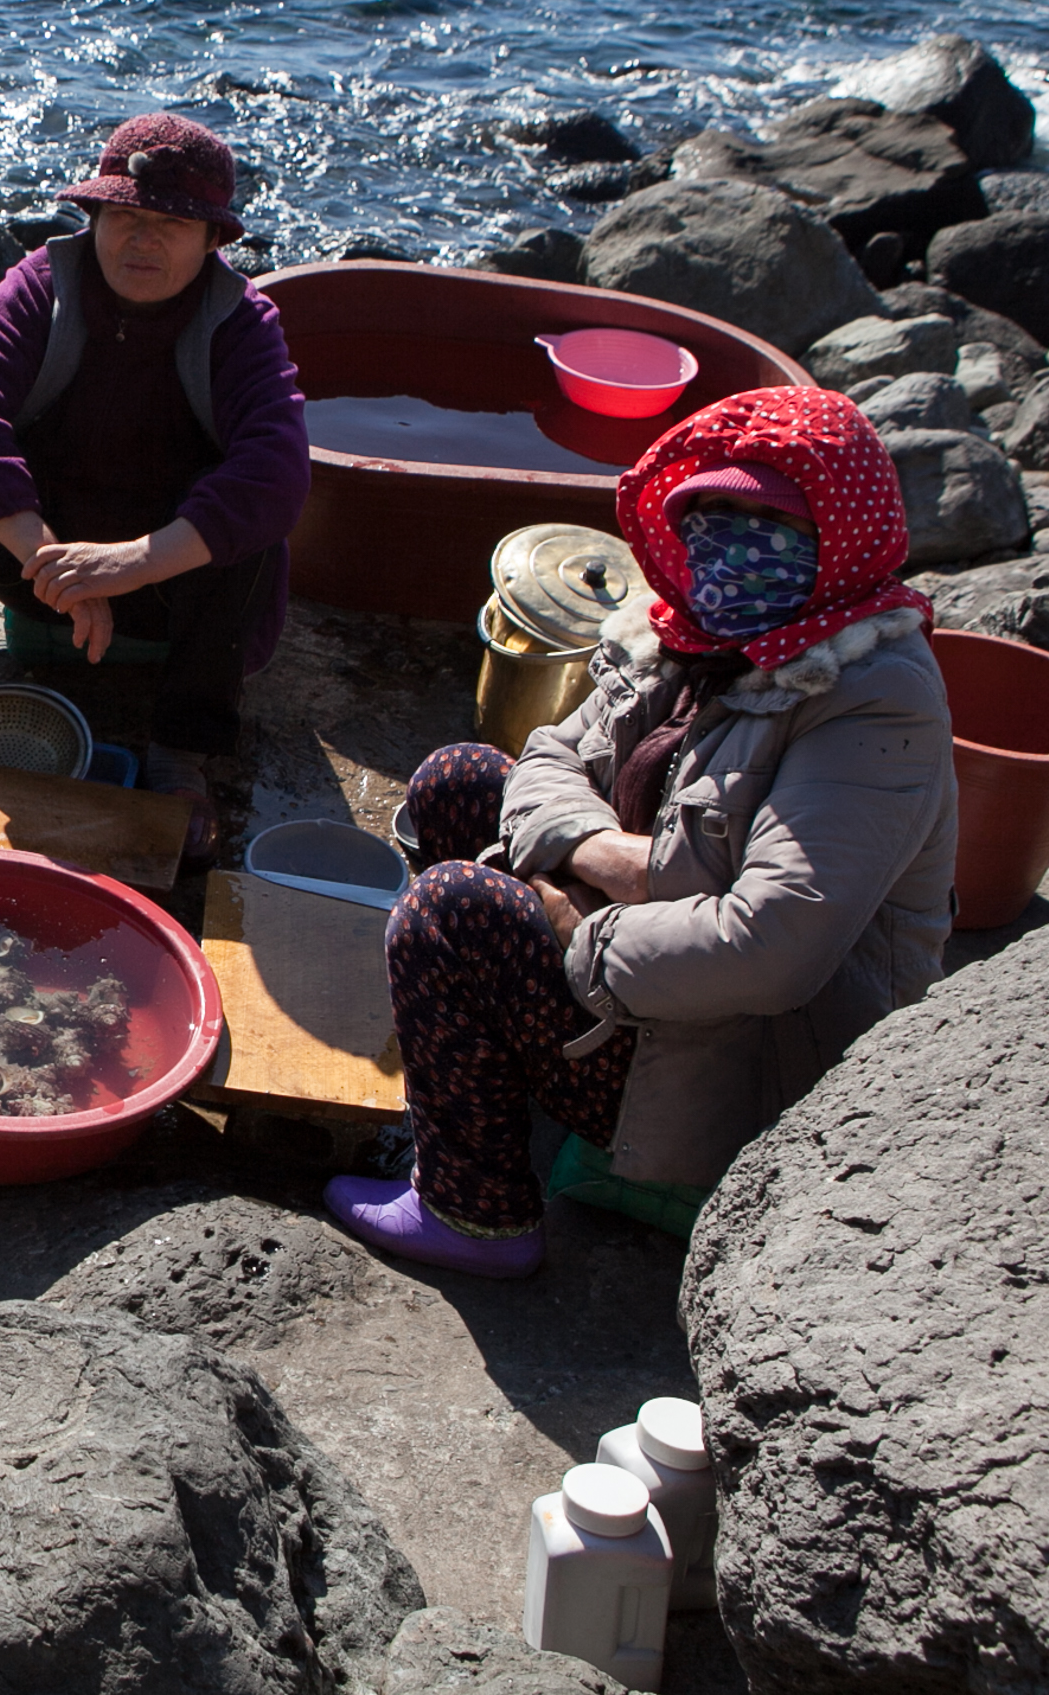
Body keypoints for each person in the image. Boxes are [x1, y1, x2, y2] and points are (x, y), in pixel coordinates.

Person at [326, 385, 958, 1278]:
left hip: (738, 1063)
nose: (731, 547)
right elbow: (551, 754)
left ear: (844, 531)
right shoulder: (693, 633)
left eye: (769, 521)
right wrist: (592, 853)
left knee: (450, 911)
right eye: (713, 516)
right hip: (649, 962)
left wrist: (574, 928)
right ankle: (479, 1083)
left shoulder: (874, 698)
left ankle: (475, 1210)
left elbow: (772, 948)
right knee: (458, 782)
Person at [0, 111, 311, 854]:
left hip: (171, 590)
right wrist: (55, 563)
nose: (143, 240)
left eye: (172, 224)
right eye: (126, 217)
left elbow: (276, 472)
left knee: (249, 537)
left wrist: (132, 562)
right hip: (45, 567)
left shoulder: (242, 325)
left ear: (213, 240)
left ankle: (182, 749)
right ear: (94, 218)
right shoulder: (41, 287)